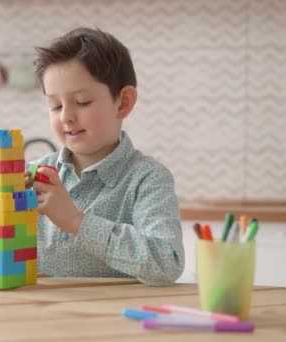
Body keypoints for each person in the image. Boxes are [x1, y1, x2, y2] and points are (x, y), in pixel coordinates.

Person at [27, 27, 184, 286]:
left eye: (83, 101)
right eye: (55, 106)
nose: (66, 116)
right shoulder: (35, 174)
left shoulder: (148, 179)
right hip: (44, 318)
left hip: (115, 321)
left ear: (123, 102)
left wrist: (77, 222)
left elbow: (167, 263)